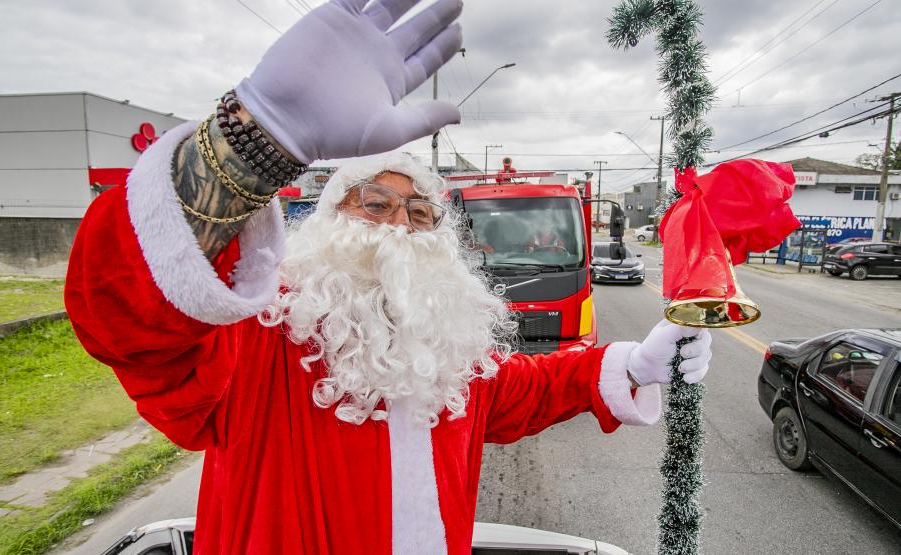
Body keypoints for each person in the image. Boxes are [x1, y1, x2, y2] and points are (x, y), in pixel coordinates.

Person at [64, 1, 712, 553]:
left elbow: (523, 387)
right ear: (328, 222)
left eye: (420, 211)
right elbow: (126, 309)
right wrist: (257, 136)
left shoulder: (446, 355)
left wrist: (630, 363)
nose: (401, 222)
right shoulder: (259, 332)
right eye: (374, 203)